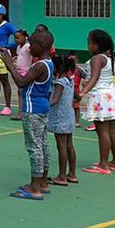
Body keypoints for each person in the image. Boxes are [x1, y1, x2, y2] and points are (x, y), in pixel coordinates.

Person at [0, 30, 54, 199]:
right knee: (43, 144)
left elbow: (21, 82)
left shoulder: (40, 66)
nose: (29, 48)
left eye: (32, 45)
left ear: (41, 46)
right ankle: (42, 181)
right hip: (41, 107)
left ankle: (35, 187)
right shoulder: (48, 63)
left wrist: (9, 65)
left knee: (34, 146)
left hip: (33, 109)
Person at [79, 30, 115, 175]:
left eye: (89, 43)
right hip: (112, 96)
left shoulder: (97, 59)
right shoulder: (112, 59)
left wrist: (83, 92)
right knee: (112, 131)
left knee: (102, 132)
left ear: (96, 45)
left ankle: (103, 164)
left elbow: (95, 78)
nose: (88, 46)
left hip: (101, 97)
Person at [47, 54, 78, 185]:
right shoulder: (70, 81)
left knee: (62, 147)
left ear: (58, 67)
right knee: (69, 145)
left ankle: (61, 176)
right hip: (69, 116)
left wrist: (44, 105)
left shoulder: (59, 83)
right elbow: (77, 96)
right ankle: (72, 174)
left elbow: (55, 100)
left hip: (60, 118)